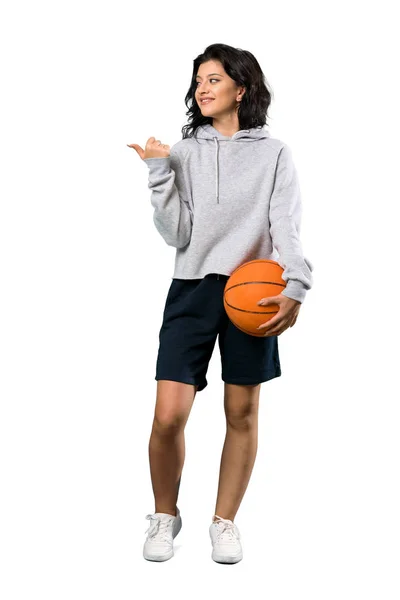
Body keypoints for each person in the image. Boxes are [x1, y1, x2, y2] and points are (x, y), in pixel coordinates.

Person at [127, 43, 314, 564]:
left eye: (213, 79)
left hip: (254, 291)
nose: (201, 89)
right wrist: (160, 172)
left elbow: (285, 225)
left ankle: (224, 522)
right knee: (168, 415)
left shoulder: (274, 153)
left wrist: (296, 285)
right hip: (192, 287)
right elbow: (176, 234)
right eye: (197, 81)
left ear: (241, 88)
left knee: (242, 412)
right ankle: (165, 515)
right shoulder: (184, 151)